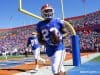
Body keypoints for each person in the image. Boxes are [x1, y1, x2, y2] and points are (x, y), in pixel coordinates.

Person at [36, 4, 67, 75]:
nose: (48, 12)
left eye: (50, 10)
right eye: (46, 11)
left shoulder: (58, 21)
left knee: (55, 69)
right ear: (42, 13)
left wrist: (59, 37)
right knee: (61, 69)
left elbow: (66, 33)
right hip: (49, 49)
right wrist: (47, 42)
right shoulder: (39, 24)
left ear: (53, 11)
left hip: (59, 48)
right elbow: (40, 39)